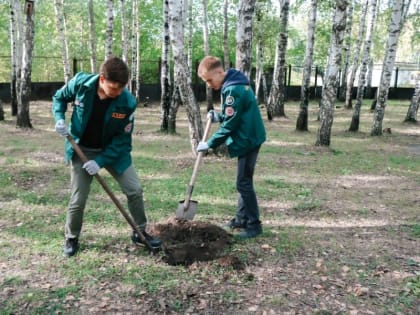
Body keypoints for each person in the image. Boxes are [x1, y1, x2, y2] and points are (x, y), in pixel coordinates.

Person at [52, 56, 161, 257]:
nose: (117, 93)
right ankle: (72, 237)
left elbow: (122, 140)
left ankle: (140, 231)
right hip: (81, 149)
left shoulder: (127, 102)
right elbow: (59, 97)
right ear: (102, 79)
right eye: (113, 88)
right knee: (78, 199)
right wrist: (59, 119)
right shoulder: (81, 84)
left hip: (113, 152)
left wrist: (100, 161)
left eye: (121, 88)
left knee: (134, 189)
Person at [196, 56, 266, 239]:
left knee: (243, 183)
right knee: (244, 182)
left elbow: (230, 125)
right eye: (206, 82)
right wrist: (220, 116)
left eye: (210, 80)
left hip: (248, 139)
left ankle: (254, 225)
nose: (209, 85)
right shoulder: (235, 83)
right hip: (250, 135)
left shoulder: (233, 89)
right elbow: (234, 113)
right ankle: (241, 219)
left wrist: (209, 144)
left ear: (220, 72)